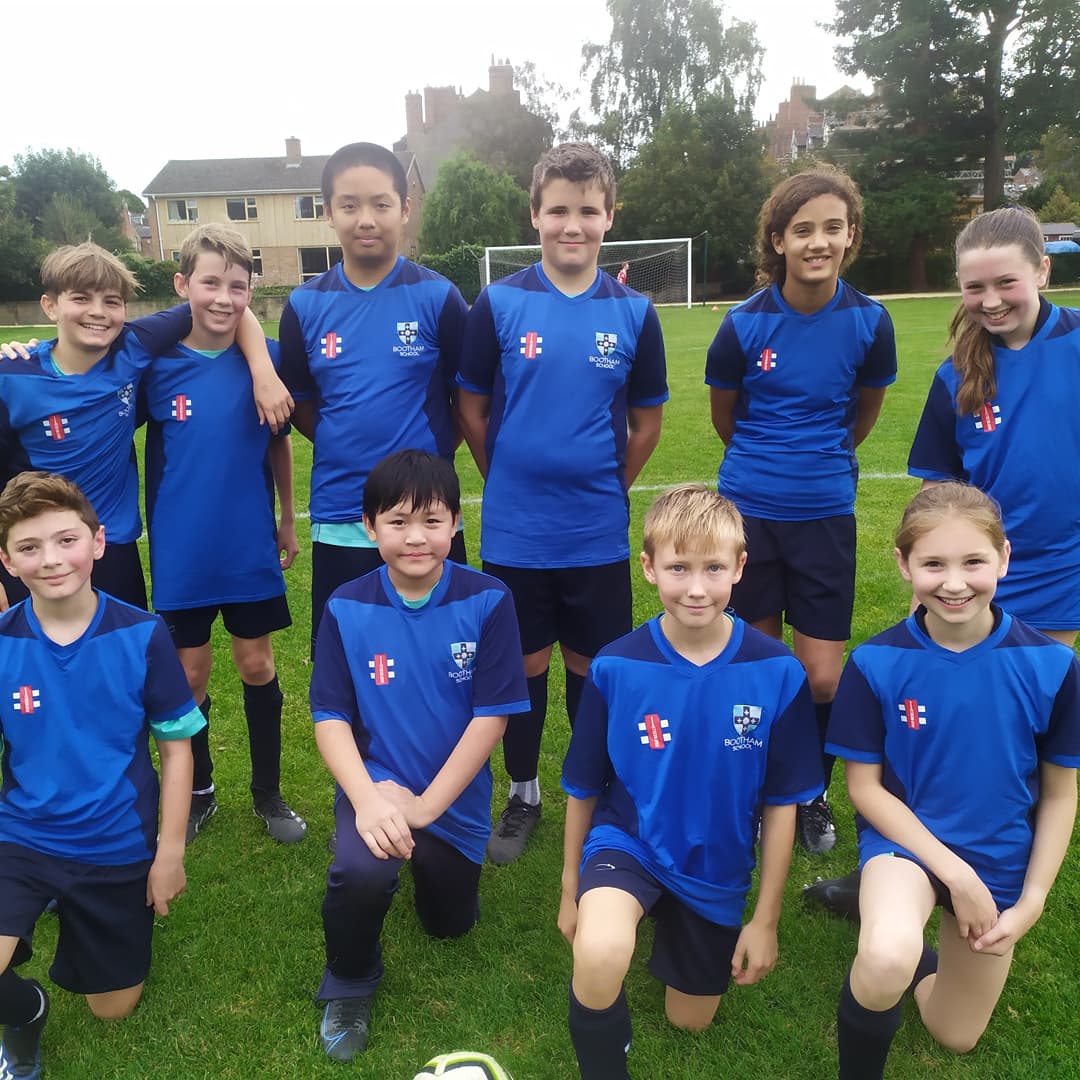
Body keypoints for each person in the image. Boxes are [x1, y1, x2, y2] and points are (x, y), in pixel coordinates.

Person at [807, 204, 1080, 917]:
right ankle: (891, 869)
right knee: (921, 730)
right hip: (964, 570)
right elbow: (936, 492)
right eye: (974, 287)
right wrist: (930, 584)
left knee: (1015, 735)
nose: (991, 301)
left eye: (1006, 283)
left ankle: (1000, 876)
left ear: (1042, 271)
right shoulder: (955, 373)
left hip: (1056, 575)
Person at [559, 484, 823, 1080]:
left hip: (715, 863)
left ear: (740, 567)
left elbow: (782, 803)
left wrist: (765, 920)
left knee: (690, 1020)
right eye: (678, 567)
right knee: (599, 952)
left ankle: (672, 924)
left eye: (713, 568)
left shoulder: (777, 671)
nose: (697, 588)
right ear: (649, 567)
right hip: (630, 842)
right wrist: (571, 886)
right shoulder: (616, 666)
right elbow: (583, 786)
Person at [825, 482, 1080, 1078]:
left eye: (973, 562)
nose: (955, 582)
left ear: (1004, 558)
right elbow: (864, 789)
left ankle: (893, 928)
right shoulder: (876, 662)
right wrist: (955, 876)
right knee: (886, 956)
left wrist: (1033, 900)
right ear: (903, 564)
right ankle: (889, 919)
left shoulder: (1052, 666)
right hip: (907, 847)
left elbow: (1059, 796)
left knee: (954, 1033)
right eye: (933, 564)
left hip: (997, 856)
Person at [457, 142, 668, 864]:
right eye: (557, 211)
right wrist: (504, 475)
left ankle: (593, 789)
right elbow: (471, 407)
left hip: (595, 532)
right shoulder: (499, 302)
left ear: (609, 217)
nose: (571, 225)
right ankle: (524, 792)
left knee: (592, 667)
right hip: (516, 530)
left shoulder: (635, 312)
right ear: (535, 215)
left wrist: (608, 484)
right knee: (522, 666)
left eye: (586, 210)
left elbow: (646, 422)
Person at [309, 450, 529, 1062]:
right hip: (377, 786)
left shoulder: (489, 599)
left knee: (449, 924)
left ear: (456, 523)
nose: (415, 538)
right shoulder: (345, 605)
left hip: (450, 801)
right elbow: (330, 718)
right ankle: (350, 980)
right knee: (361, 872)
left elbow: (492, 716)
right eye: (398, 521)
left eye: (432, 521)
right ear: (369, 526)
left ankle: (428, 859)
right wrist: (366, 799)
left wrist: (426, 808)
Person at [705, 166, 896, 855]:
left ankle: (809, 790)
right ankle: (763, 790)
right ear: (778, 240)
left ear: (851, 236)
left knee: (819, 676)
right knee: (761, 670)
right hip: (750, 517)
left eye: (832, 228)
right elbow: (726, 418)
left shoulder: (870, 322)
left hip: (824, 517)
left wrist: (818, 466)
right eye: (803, 229)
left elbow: (862, 413)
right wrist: (768, 469)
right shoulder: (742, 324)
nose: (819, 241)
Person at [0, 472, 205, 1078]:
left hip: (114, 843)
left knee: (111, 1009)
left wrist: (170, 853)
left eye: (66, 540)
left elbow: (176, 750)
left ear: (97, 542)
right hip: (23, 836)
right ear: (7, 561)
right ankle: (27, 1011)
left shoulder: (142, 634)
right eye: (29, 547)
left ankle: (70, 915)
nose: (50, 559)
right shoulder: (3, 643)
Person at [0, 243, 291, 612]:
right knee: (34, 647)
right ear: (50, 305)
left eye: (111, 301)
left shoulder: (134, 347)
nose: (97, 312)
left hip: (113, 544)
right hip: (37, 548)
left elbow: (229, 306)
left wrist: (263, 371)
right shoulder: (12, 377)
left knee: (123, 645)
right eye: (81, 298)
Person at [141, 224, 305, 846]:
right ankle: (200, 790)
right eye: (209, 283)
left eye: (237, 286)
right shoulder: (156, 365)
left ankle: (268, 792)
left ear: (251, 292)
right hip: (182, 549)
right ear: (182, 284)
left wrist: (286, 517)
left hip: (247, 544)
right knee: (189, 674)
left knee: (256, 661)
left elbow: (279, 442)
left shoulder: (264, 363)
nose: (223, 298)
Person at [278, 141, 469, 654]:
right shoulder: (305, 304)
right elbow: (301, 400)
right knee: (350, 660)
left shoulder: (439, 296)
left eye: (381, 204)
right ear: (328, 212)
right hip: (342, 514)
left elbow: (467, 399)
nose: (366, 219)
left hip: (427, 515)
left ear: (404, 209)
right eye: (349, 205)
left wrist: (426, 455)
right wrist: (343, 438)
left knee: (441, 656)